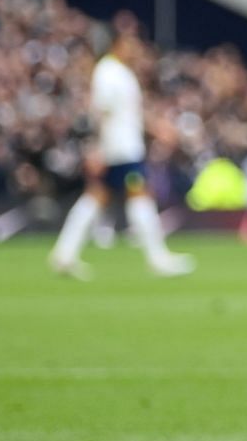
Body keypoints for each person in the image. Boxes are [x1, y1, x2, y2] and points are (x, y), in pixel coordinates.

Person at [48, 20, 196, 279]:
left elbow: (127, 113)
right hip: (119, 149)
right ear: (117, 43)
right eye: (130, 42)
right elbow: (101, 113)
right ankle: (157, 258)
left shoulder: (119, 72)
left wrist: (156, 127)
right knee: (139, 197)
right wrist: (97, 149)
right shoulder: (108, 72)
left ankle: (64, 254)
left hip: (121, 146)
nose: (134, 48)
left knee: (95, 199)